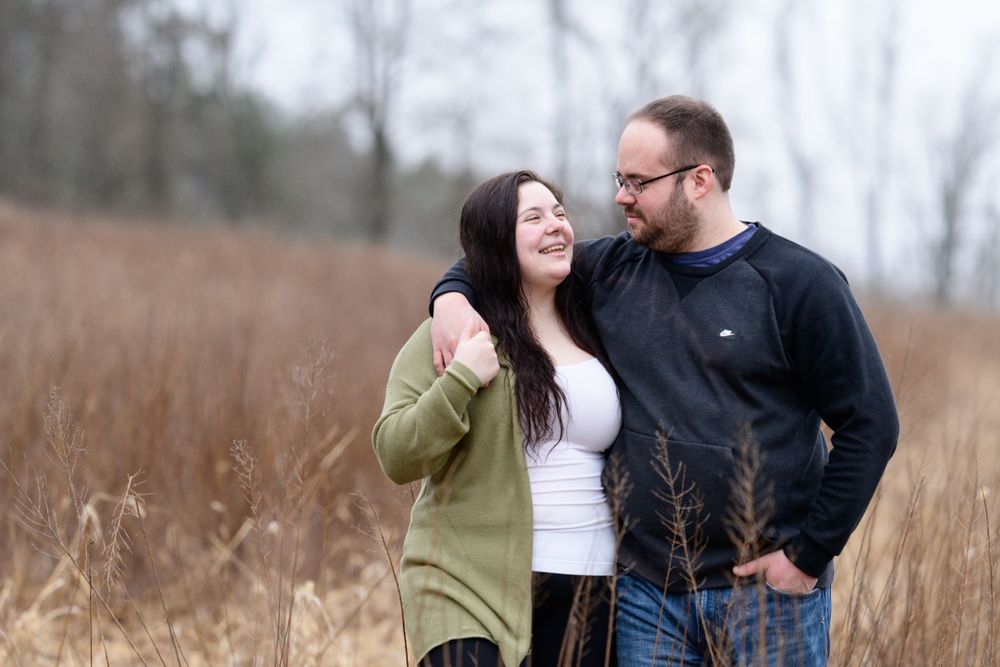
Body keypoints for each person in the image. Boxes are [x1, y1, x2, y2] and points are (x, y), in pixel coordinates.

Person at [429, 96, 899, 666]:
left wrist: (808, 555)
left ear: (699, 180)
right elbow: (503, 259)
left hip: (765, 597)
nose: (621, 197)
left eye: (638, 182)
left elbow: (870, 424)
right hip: (645, 596)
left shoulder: (800, 284)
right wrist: (450, 299)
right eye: (619, 180)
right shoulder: (611, 269)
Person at [373, 170, 621, 667]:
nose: (556, 225)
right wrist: (460, 379)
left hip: (592, 588)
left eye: (560, 213)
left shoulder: (596, 325)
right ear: (497, 242)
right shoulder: (454, 333)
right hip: (465, 585)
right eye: (534, 217)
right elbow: (396, 453)